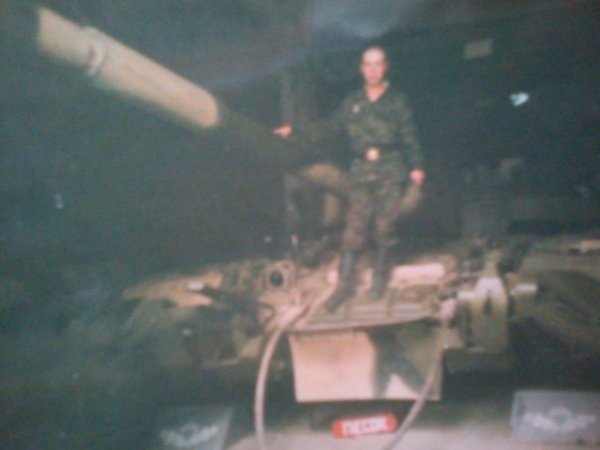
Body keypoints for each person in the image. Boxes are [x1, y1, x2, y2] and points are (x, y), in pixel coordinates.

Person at [274, 45, 425, 309]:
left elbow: (409, 135)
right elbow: (329, 127)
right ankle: (343, 287)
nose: (373, 70)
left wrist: (417, 166)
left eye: (378, 64)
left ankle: (379, 280)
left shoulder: (397, 101)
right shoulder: (353, 101)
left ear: (385, 67)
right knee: (354, 230)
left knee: (384, 228)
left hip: (390, 170)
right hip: (361, 172)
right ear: (361, 69)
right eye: (368, 64)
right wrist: (295, 131)